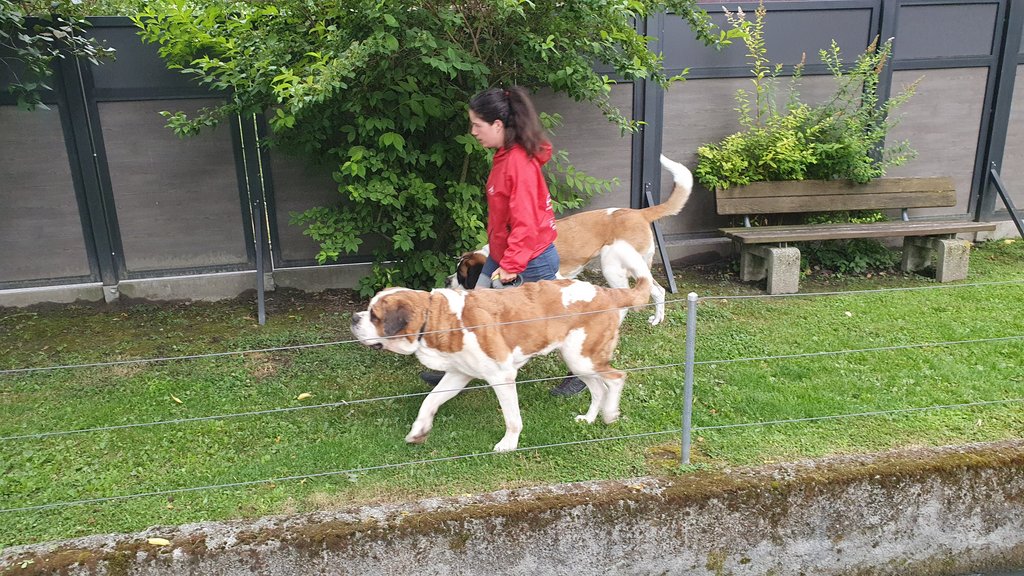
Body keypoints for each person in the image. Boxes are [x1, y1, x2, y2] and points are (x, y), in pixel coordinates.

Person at [420, 86, 586, 396]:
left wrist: (511, 266)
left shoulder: (518, 164)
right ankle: (456, 370)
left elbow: (525, 221)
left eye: (477, 125)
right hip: (504, 254)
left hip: (529, 261)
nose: (473, 132)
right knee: (473, 313)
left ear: (498, 125)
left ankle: (581, 372)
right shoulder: (505, 155)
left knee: (550, 323)